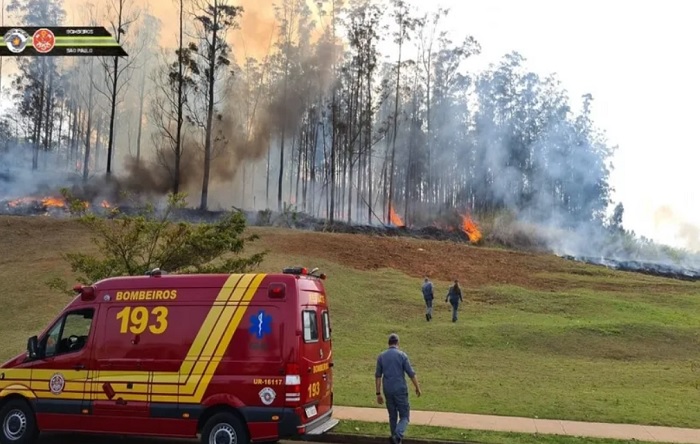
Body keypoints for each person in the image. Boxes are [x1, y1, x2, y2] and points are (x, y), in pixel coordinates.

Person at [375, 333, 421, 444]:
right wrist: (417, 387)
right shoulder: (402, 356)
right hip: (400, 389)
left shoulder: (381, 356)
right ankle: (397, 435)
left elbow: (378, 376)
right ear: (398, 343)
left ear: (388, 343)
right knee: (405, 416)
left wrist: (378, 393)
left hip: (388, 389)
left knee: (392, 416)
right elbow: (411, 373)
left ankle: (395, 439)